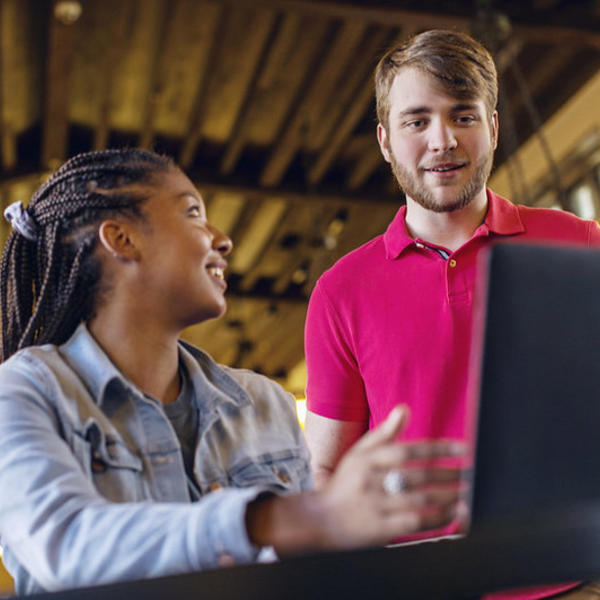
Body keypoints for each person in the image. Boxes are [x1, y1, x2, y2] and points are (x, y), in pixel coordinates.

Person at [0, 148, 466, 595]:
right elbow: (63, 544)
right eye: (192, 213)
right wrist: (288, 518)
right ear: (122, 238)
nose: (222, 238)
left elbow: (309, 574)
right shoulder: (26, 392)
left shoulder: (266, 403)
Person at [303, 29, 600, 599]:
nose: (443, 140)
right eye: (417, 121)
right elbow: (326, 471)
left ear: (491, 127)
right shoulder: (340, 292)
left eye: (462, 116)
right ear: (387, 141)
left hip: (574, 578)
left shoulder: (579, 242)